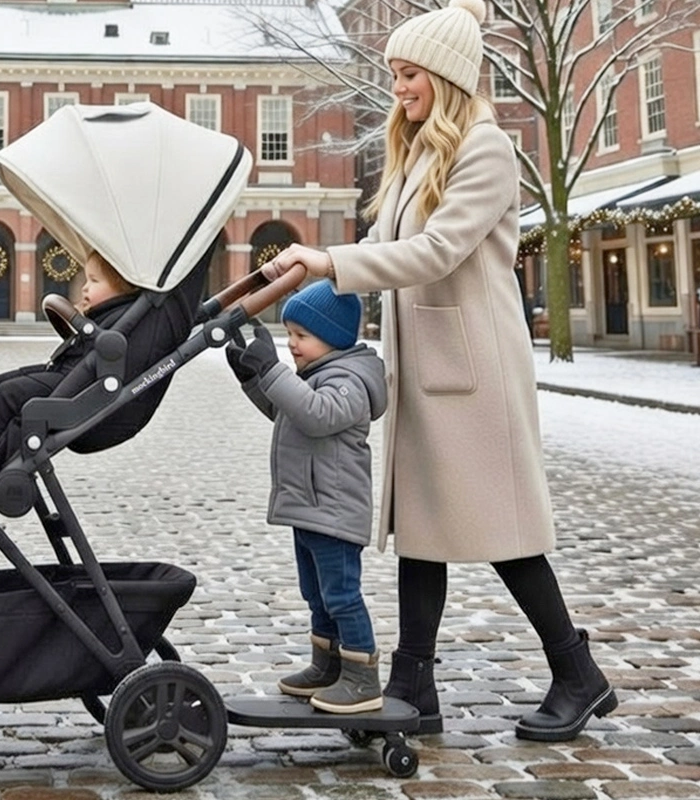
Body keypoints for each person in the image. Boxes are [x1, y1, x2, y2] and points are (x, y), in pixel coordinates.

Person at [262, 0, 616, 740]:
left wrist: (332, 260)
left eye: (410, 72)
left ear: (448, 76)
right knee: (425, 528)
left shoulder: (483, 148)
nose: (398, 86)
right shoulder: (418, 147)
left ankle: (577, 674)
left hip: (475, 368)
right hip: (428, 364)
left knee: (503, 531)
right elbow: (383, 243)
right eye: (394, 72)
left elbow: (435, 252)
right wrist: (299, 277)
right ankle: (412, 686)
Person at [226, 281, 387, 714]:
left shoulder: (350, 381)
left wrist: (274, 371)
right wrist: (253, 376)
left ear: (332, 337)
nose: (291, 344)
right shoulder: (318, 375)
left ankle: (361, 676)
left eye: (301, 336)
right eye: (289, 334)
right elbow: (287, 411)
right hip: (311, 508)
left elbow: (317, 416)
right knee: (315, 592)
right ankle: (327, 663)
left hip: (334, 511)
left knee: (341, 594)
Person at [0, 250, 138, 490]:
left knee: (8, 394)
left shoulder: (124, 316)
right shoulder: (112, 312)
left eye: (94, 281)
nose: (85, 288)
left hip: (77, 385)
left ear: (122, 288)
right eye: (86, 280)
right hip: (70, 373)